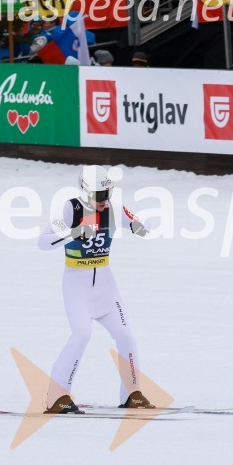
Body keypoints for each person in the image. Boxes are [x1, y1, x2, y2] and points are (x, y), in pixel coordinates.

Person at [37, 166, 155, 414]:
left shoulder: (112, 208)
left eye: (107, 193)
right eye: (99, 195)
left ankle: (132, 394)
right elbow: (43, 241)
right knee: (81, 335)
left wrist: (140, 227)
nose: (104, 201)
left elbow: (137, 224)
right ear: (85, 192)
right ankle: (57, 397)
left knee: (126, 335)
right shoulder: (71, 209)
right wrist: (74, 232)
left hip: (105, 285)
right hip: (76, 285)